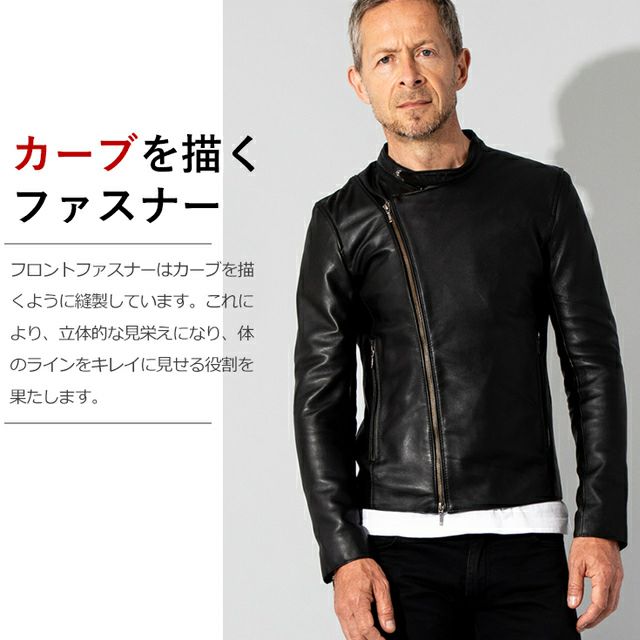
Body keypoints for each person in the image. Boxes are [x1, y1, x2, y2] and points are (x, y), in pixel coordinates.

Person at [293, 0, 628, 638]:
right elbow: (319, 399)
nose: (408, 75)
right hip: (396, 550)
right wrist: (342, 552)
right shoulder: (340, 220)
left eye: (425, 51)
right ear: (359, 82)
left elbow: (592, 368)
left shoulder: (541, 196)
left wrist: (601, 523)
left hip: (528, 541)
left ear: (461, 64)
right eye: (385, 59)